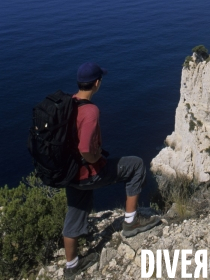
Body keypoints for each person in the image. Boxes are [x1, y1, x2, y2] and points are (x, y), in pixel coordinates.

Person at [63, 62, 160, 279]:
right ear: (97, 83)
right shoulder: (90, 110)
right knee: (135, 165)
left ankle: (71, 266)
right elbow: (85, 147)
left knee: (75, 212)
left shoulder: (67, 104)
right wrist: (94, 157)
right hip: (89, 172)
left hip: (69, 174)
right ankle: (131, 222)